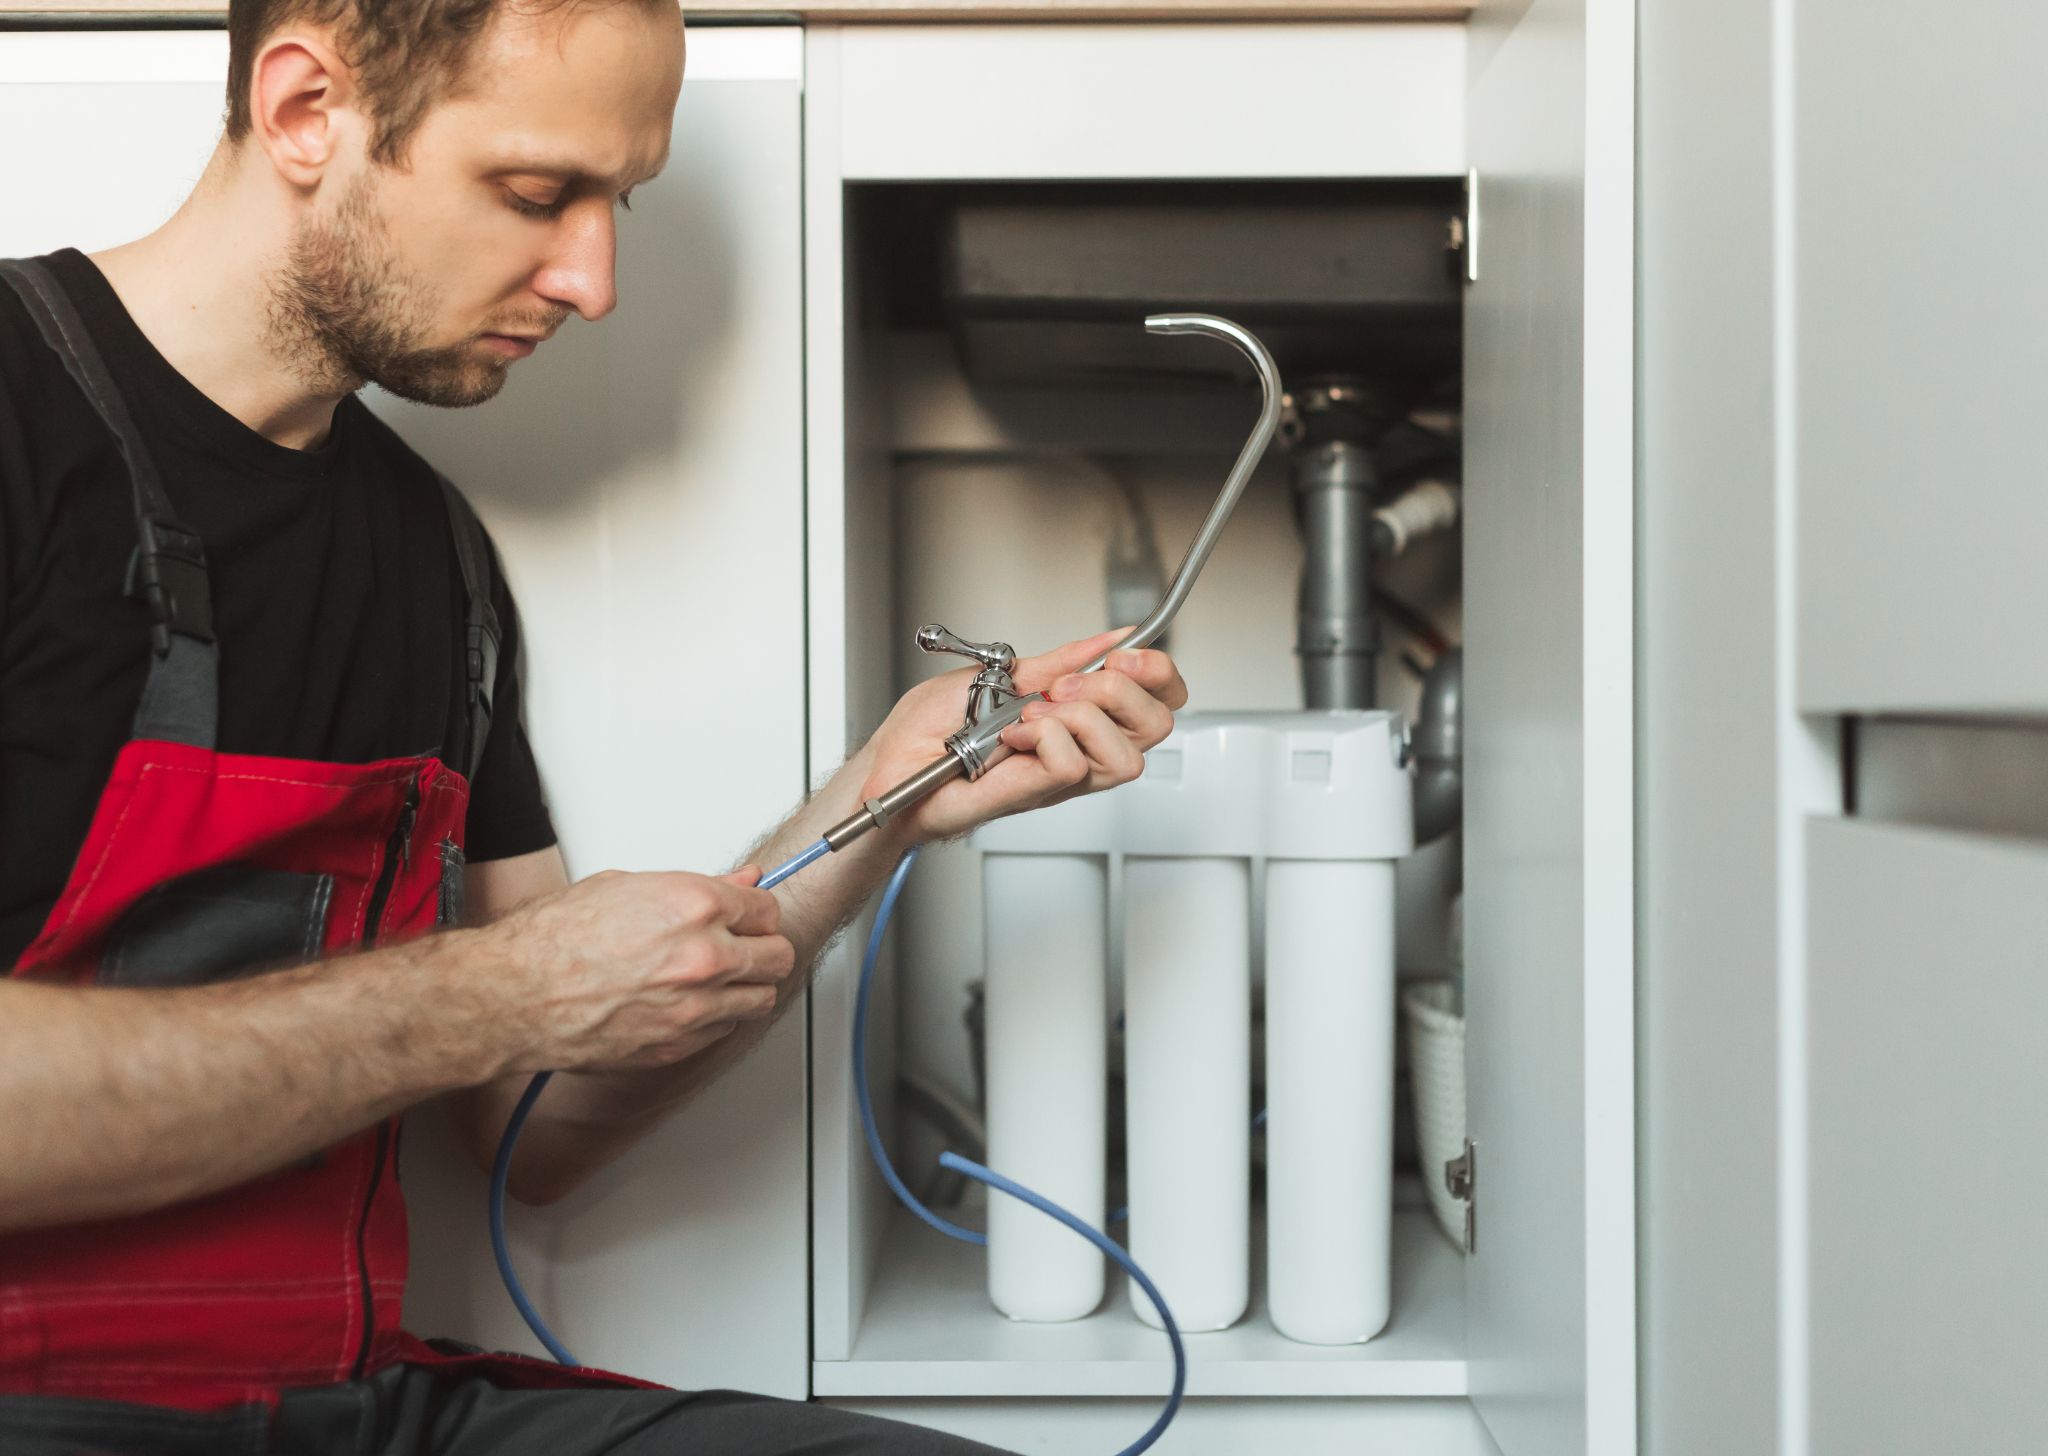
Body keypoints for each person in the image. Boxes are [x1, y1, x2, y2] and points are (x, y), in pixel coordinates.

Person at [0, 1, 1187, 1451]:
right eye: (536, 192)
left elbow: (532, 1127)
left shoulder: (430, 556)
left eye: (616, 201)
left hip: (355, 1401)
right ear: (308, 108)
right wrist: (482, 994)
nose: (595, 278)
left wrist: (881, 805)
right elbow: (502, 1005)